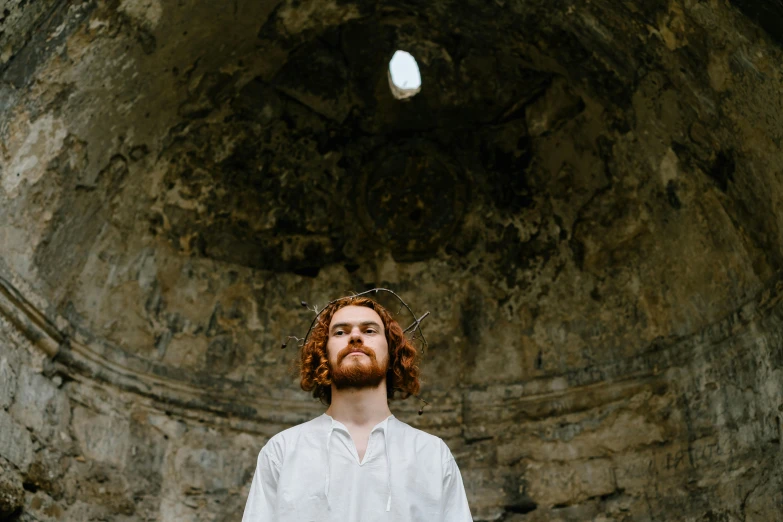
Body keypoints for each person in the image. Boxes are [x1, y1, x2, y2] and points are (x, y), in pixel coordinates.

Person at [241, 295, 473, 521]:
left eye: (369, 330)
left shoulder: (432, 454)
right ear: (323, 353)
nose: (354, 337)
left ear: (392, 352)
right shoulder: (282, 451)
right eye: (340, 332)